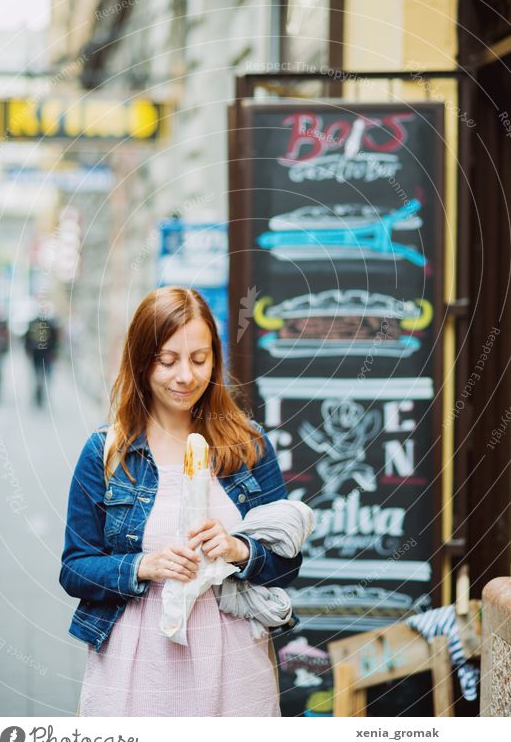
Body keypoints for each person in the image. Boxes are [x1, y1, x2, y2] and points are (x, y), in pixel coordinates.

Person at [60, 286, 303, 717]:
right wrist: (143, 565)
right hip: (135, 666)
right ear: (141, 361)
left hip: (234, 663)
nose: (185, 377)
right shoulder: (107, 452)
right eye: (167, 361)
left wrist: (239, 549)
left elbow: (288, 563)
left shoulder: (247, 445)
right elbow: (74, 568)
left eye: (199, 359)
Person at [24, 308, 59, 406]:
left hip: (37, 354)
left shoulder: (33, 323)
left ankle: (40, 390)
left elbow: (27, 338)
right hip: (45, 354)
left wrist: (27, 350)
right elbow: (54, 339)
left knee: (38, 374)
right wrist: (53, 352)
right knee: (45, 374)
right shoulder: (49, 324)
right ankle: (41, 390)